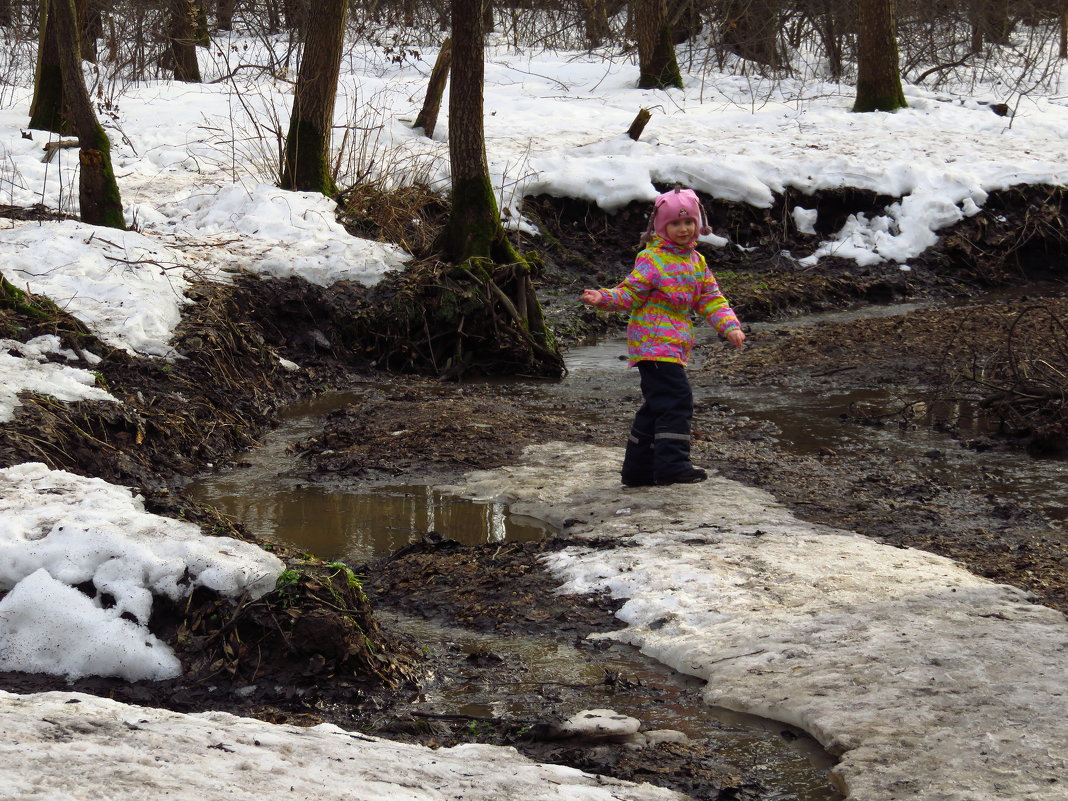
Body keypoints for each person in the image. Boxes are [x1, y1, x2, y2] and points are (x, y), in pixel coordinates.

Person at [580, 187, 745, 487]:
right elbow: (630, 293)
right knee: (677, 401)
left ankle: (637, 471)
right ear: (661, 227)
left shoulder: (696, 262)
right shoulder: (652, 259)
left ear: (698, 224)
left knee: (657, 405)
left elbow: (711, 297)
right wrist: (602, 298)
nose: (683, 229)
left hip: (673, 344)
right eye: (675, 224)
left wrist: (729, 326)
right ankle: (672, 466)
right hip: (653, 344)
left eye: (688, 223)